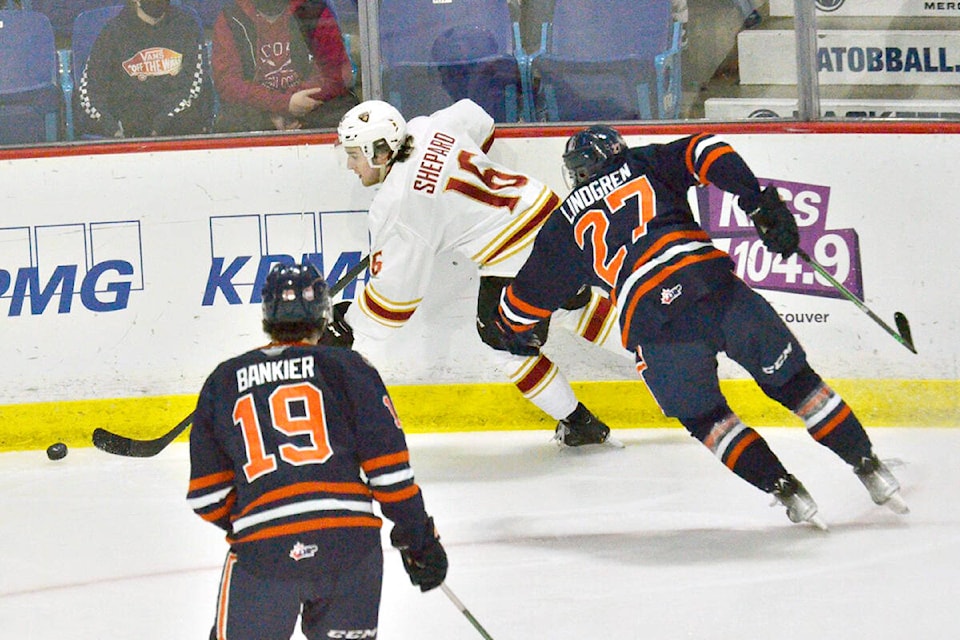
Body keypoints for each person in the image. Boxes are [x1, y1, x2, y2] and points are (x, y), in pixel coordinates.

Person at [490, 125, 909, 528]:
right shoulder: (646, 161)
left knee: (708, 419)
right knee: (798, 384)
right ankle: (869, 466)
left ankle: (786, 490)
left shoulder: (564, 225)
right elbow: (706, 150)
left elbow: (523, 303)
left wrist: (509, 327)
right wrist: (756, 201)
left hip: (652, 324)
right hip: (711, 285)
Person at [330, 98, 624, 448]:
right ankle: (669, 348)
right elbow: (478, 118)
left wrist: (349, 322)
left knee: (504, 344)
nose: (349, 164)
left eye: (354, 154)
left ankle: (582, 425)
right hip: (550, 214)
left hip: (517, 252)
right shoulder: (426, 126)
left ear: (380, 152)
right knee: (572, 307)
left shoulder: (397, 207)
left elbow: (393, 305)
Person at [187, 262, 447, 639]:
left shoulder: (224, 380)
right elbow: (390, 475)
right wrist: (418, 539)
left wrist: (257, 521)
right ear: (323, 314)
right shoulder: (349, 367)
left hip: (264, 552)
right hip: (350, 548)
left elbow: (207, 495)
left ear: (266, 314)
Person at [211, 0, 358, 133]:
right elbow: (227, 83)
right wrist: (282, 104)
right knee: (231, 124)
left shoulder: (314, 9)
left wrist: (293, 104)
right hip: (258, 112)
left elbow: (337, 74)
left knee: (346, 117)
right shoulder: (231, 16)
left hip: (311, 107)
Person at [76, 0, 212, 138]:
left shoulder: (186, 27)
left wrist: (162, 124)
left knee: (190, 118)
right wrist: (112, 128)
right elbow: (91, 90)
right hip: (126, 128)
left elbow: (194, 87)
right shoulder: (113, 32)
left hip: (175, 126)